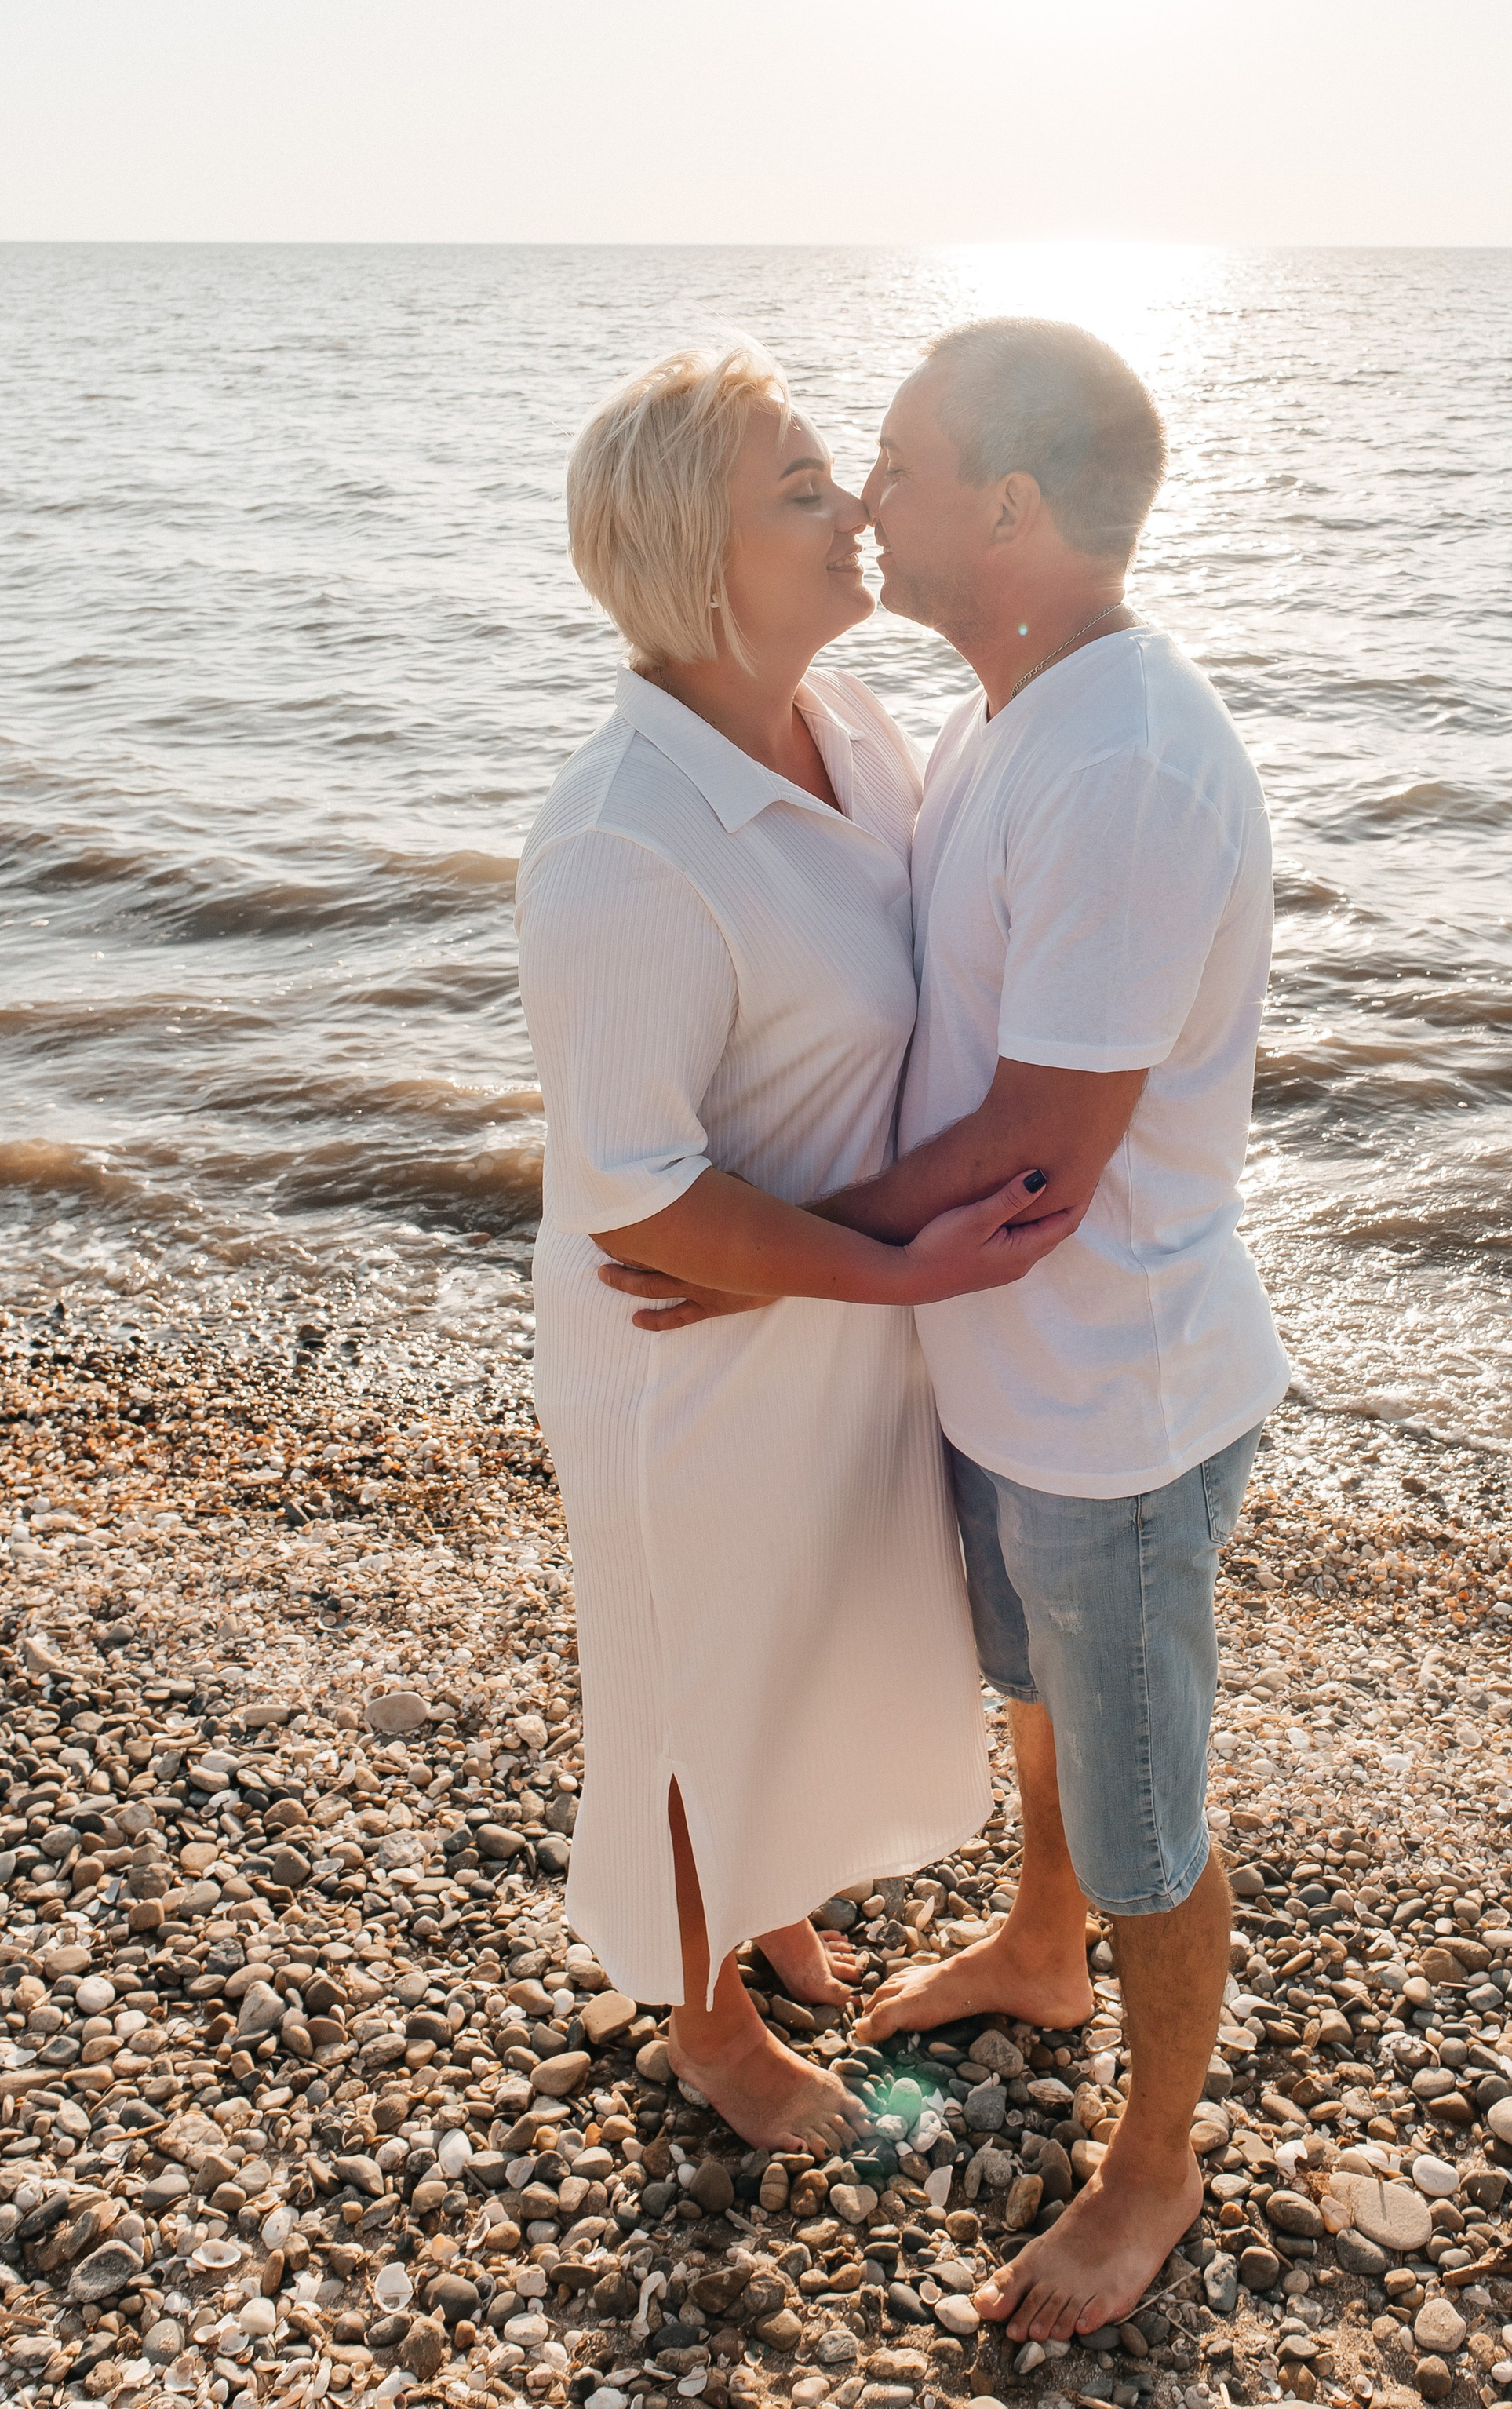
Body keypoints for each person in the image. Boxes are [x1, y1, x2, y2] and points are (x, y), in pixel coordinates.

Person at [601, 317, 1289, 2334]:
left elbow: (1041, 1147)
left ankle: (1149, 2168)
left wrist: (762, 1244)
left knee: (1146, 1806)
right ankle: (1039, 1947)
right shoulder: (1006, 713)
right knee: (1039, 1695)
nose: (863, 499)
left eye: (891, 465)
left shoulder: (1123, 764)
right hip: (1002, 1368)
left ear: (1004, 508)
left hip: (1111, 1396)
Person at [515, 338, 1082, 2156]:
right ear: (700, 556)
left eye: (840, 475)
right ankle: (704, 2024)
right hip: (689, 1351)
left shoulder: (846, 727)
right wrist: (905, 1269)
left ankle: (762, 1903)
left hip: (835, 1305)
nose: (854, 511)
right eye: (802, 490)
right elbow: (635, 1193)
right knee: (696, 1674)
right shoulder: (622, 845)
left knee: (809, 1632)